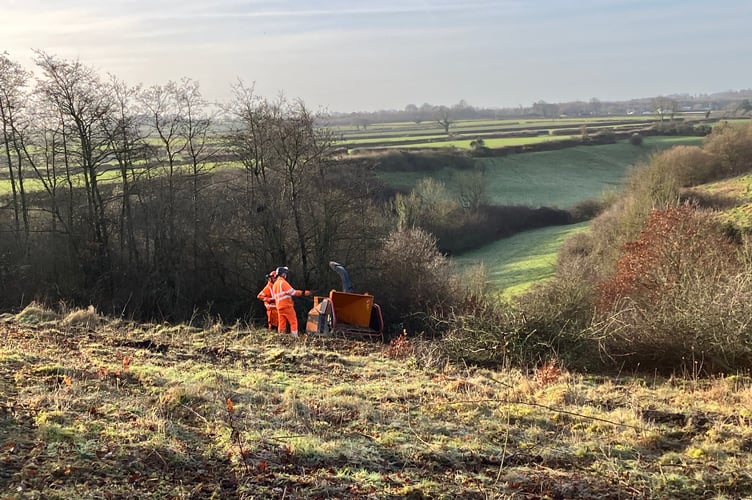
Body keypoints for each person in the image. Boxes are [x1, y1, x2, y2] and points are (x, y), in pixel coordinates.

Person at [271, 266, 310, 337]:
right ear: (283, 274)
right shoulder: (283, 283)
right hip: (287, 306)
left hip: (279, 307)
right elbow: (292, 292)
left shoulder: (275, 285)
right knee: (293, 322)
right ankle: (294, 337)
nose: (286, 275)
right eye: (285, 273)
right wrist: (303, 293)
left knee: (282, 323)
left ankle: (281, 337)